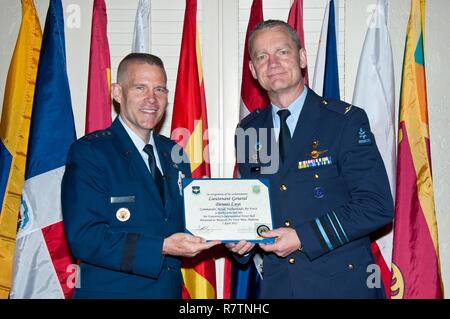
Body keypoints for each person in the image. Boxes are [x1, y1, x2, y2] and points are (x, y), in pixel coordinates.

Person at [228, 20, 394, 298]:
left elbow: (376, 206)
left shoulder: (344, 121)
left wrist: (303, 237)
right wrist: (239, 239)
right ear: (253, 71)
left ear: (302, 58)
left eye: (282, 52)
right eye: (262, 57)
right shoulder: (249, 130)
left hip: (341, 286)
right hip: (279, 287)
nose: (273, 63)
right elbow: (256, 204)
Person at [61, 53, 219, 298]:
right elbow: (86, 238)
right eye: (140, 88)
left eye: (160, 89)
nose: (152, 100)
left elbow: (190, 221)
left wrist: (232, 236)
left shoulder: (174, 153)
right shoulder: (90, 153)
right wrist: (162, 247)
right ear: (117, 92)